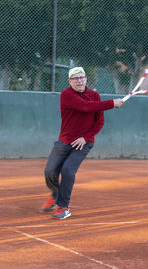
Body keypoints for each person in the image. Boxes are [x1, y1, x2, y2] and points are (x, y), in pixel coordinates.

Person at [40, 67, 123, 220]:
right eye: (75, 78)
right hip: (64, 141)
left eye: (81, 77)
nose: (79, 81)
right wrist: (112, 103)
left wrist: (86, 137)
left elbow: (100, 121)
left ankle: (63, 207)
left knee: (67, 171)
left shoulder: (94, 95)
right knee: (50, 171)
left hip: (84, 143)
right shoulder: (66, 95)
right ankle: (56, 194)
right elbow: (85, 107)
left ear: (86, 79)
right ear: (70, 81)